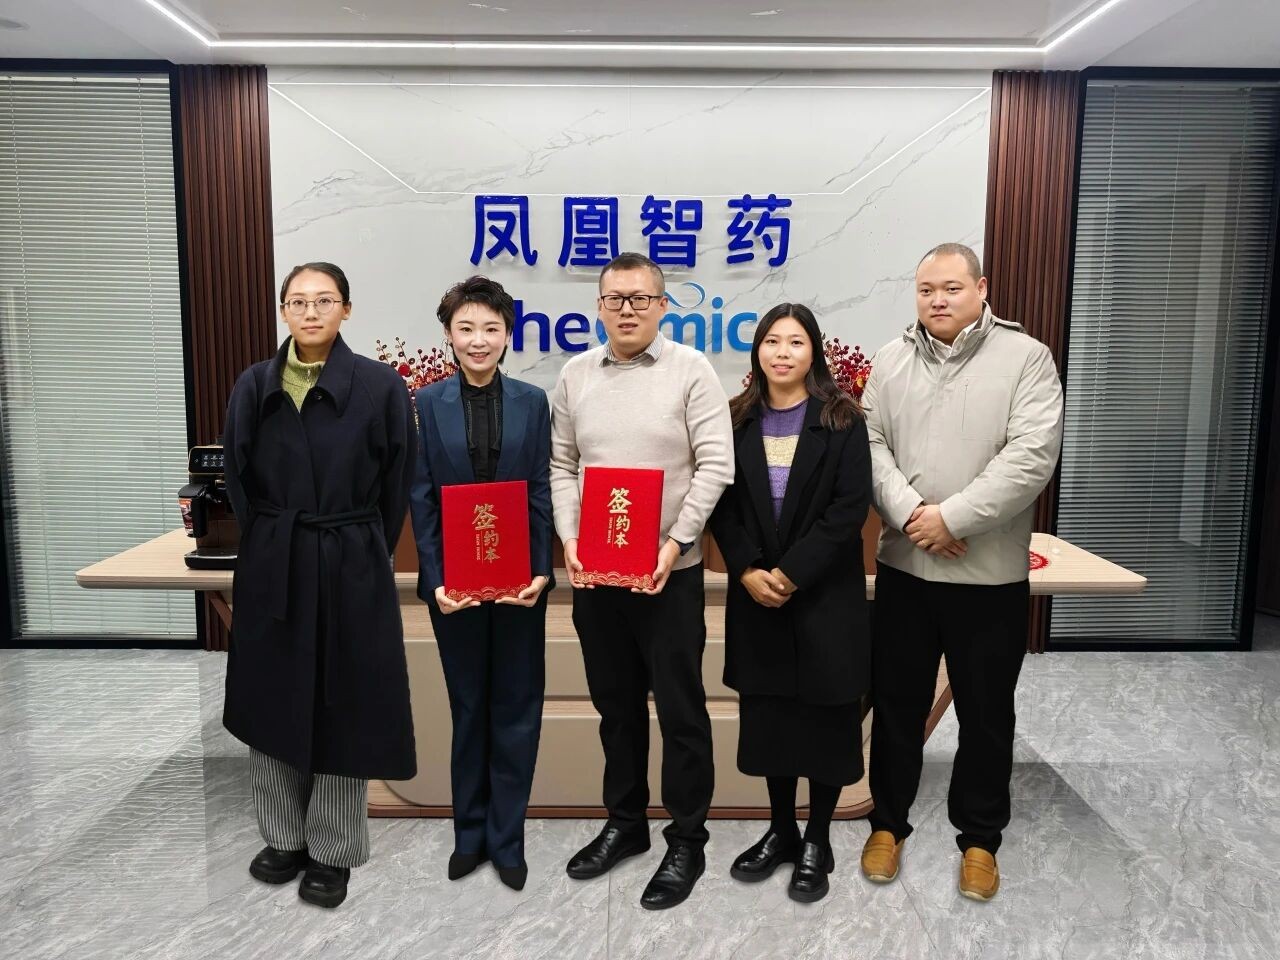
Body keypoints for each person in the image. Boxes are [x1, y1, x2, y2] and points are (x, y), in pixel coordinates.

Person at [860, 243, 1064, 901]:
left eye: (951, 287)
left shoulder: (1025, 357)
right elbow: (870, 446)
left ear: (982, 288)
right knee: (897, 705)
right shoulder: (890, 360)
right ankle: (887, 822)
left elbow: (1031, 456)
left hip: (988, 577)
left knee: (985, 713)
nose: (937, 300)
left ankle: (979, 838)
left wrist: (953, 519)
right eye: (926, 289)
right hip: (905, 568)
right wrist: (913, 514)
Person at [222, 261, 417, 909]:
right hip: (274, 556)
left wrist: (359, 545)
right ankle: (282, 838)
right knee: (271, 695)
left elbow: (396, 485)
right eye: (299, 301)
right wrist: (273, 539)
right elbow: (238, 480)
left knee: (346, 702)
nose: (311, 312)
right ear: (284, 310)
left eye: (324, 300)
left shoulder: (380, 386)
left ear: (346, 309)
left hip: (350, 556)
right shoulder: (255, 384)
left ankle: (333, 849)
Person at [550, 252, 734, 910]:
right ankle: (625, 824)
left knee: (682, 713)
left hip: (669, 577)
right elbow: (562, 464)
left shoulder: (691, 369)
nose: (627, 309)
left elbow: (716, 465)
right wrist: (571, 538)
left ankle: (687, 839)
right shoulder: (575, 374)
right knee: (616, 709)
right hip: (597, 578)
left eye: (640, 298)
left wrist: (676, 542)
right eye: (615, 299)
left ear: (662, 305)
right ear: (599, 307)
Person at [710, 303, 872, 904]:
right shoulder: (735, 419)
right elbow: (721, 502)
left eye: (796, 342)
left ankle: (817, 839)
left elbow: (849, 509)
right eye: (772, 341)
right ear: (757, 351)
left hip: (824, 594)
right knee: (772, 719)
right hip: (758, 595)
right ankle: (781, 830)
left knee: (826, 720)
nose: (783, 352)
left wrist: (791, 573)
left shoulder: (843, 419)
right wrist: (748, 569)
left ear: (814, 352)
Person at [409, 275, 553, 892]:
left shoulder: (532, 401)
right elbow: (421, 498)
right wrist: (436, 579)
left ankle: (507, 839)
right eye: (466, 328)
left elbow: (541, 490)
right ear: (448, 334)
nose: (478, 340)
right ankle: (469, 835)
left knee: (516, 710)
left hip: (520, 583)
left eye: (491, 328)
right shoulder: (425, 403)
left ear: (507, 335)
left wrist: (542, 570)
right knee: (468, 709)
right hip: (455, 590)